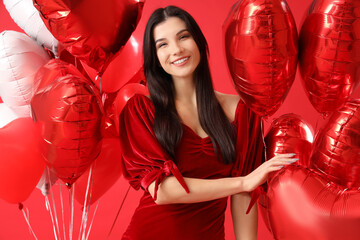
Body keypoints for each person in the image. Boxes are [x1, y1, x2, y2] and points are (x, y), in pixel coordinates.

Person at [119, 5, 298, 240]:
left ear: (199, 42)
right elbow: (162, 190)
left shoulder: (243, 112)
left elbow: (245, 196)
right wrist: (242, 182)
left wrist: (244, 185)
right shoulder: (141, 109)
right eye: (162, 44)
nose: (176, 50)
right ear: (156, 59)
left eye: (183, 37)